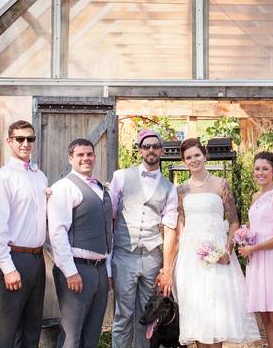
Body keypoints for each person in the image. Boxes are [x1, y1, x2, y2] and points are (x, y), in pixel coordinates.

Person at [172, 138, 260, 348]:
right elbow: (181, 224)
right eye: (188, 157)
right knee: (198, 314)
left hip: (218, 254)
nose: (194, 160)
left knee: (217, 312)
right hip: (191, 257)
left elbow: (233, 221)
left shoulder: (221, 184)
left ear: (205, 155)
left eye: (197, 155)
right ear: (184, 162)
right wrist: (177, 258)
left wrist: (227, 252)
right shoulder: (181, 190)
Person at [109, 129, 178, 348]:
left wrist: (166, 270)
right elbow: (110, 216)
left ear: (162, 151)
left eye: (155, 147)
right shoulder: (121, 176)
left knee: (148, 316)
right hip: (124, 255)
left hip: (151, 258)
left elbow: (170, 229)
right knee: (123, 315)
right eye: (146, 146)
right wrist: (109, 258)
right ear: (140, 151)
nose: (151, 150)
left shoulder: (170, 187)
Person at [0, 120, 49, 348]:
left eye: (30, 139)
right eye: (20, 139)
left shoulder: (40, 176)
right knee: (6, 332)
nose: (25, 144)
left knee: (32, 329)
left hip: (36, 258)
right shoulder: (2, 179)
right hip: (13, 259)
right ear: (9, 141)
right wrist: (8, 268)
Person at [47, 138, 113, 348]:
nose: (86, 158)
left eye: (89, 154)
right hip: (77, 268)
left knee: (92, 334)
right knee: (71, 336)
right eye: (80, 155)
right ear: (70, 158)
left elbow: (107, 232)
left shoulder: (101, 188)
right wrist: (70, 271)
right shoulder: (64, 187)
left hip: (100, 270)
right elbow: (57, 232)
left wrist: (108, 272)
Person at [237, 151, 273, 348]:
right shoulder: (255, 196)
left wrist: (253, 248)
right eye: (257, 168)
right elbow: (253, 228)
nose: (260, 173)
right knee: (265, 317)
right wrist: (244, 237)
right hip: (257, 259)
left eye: (265, 169)